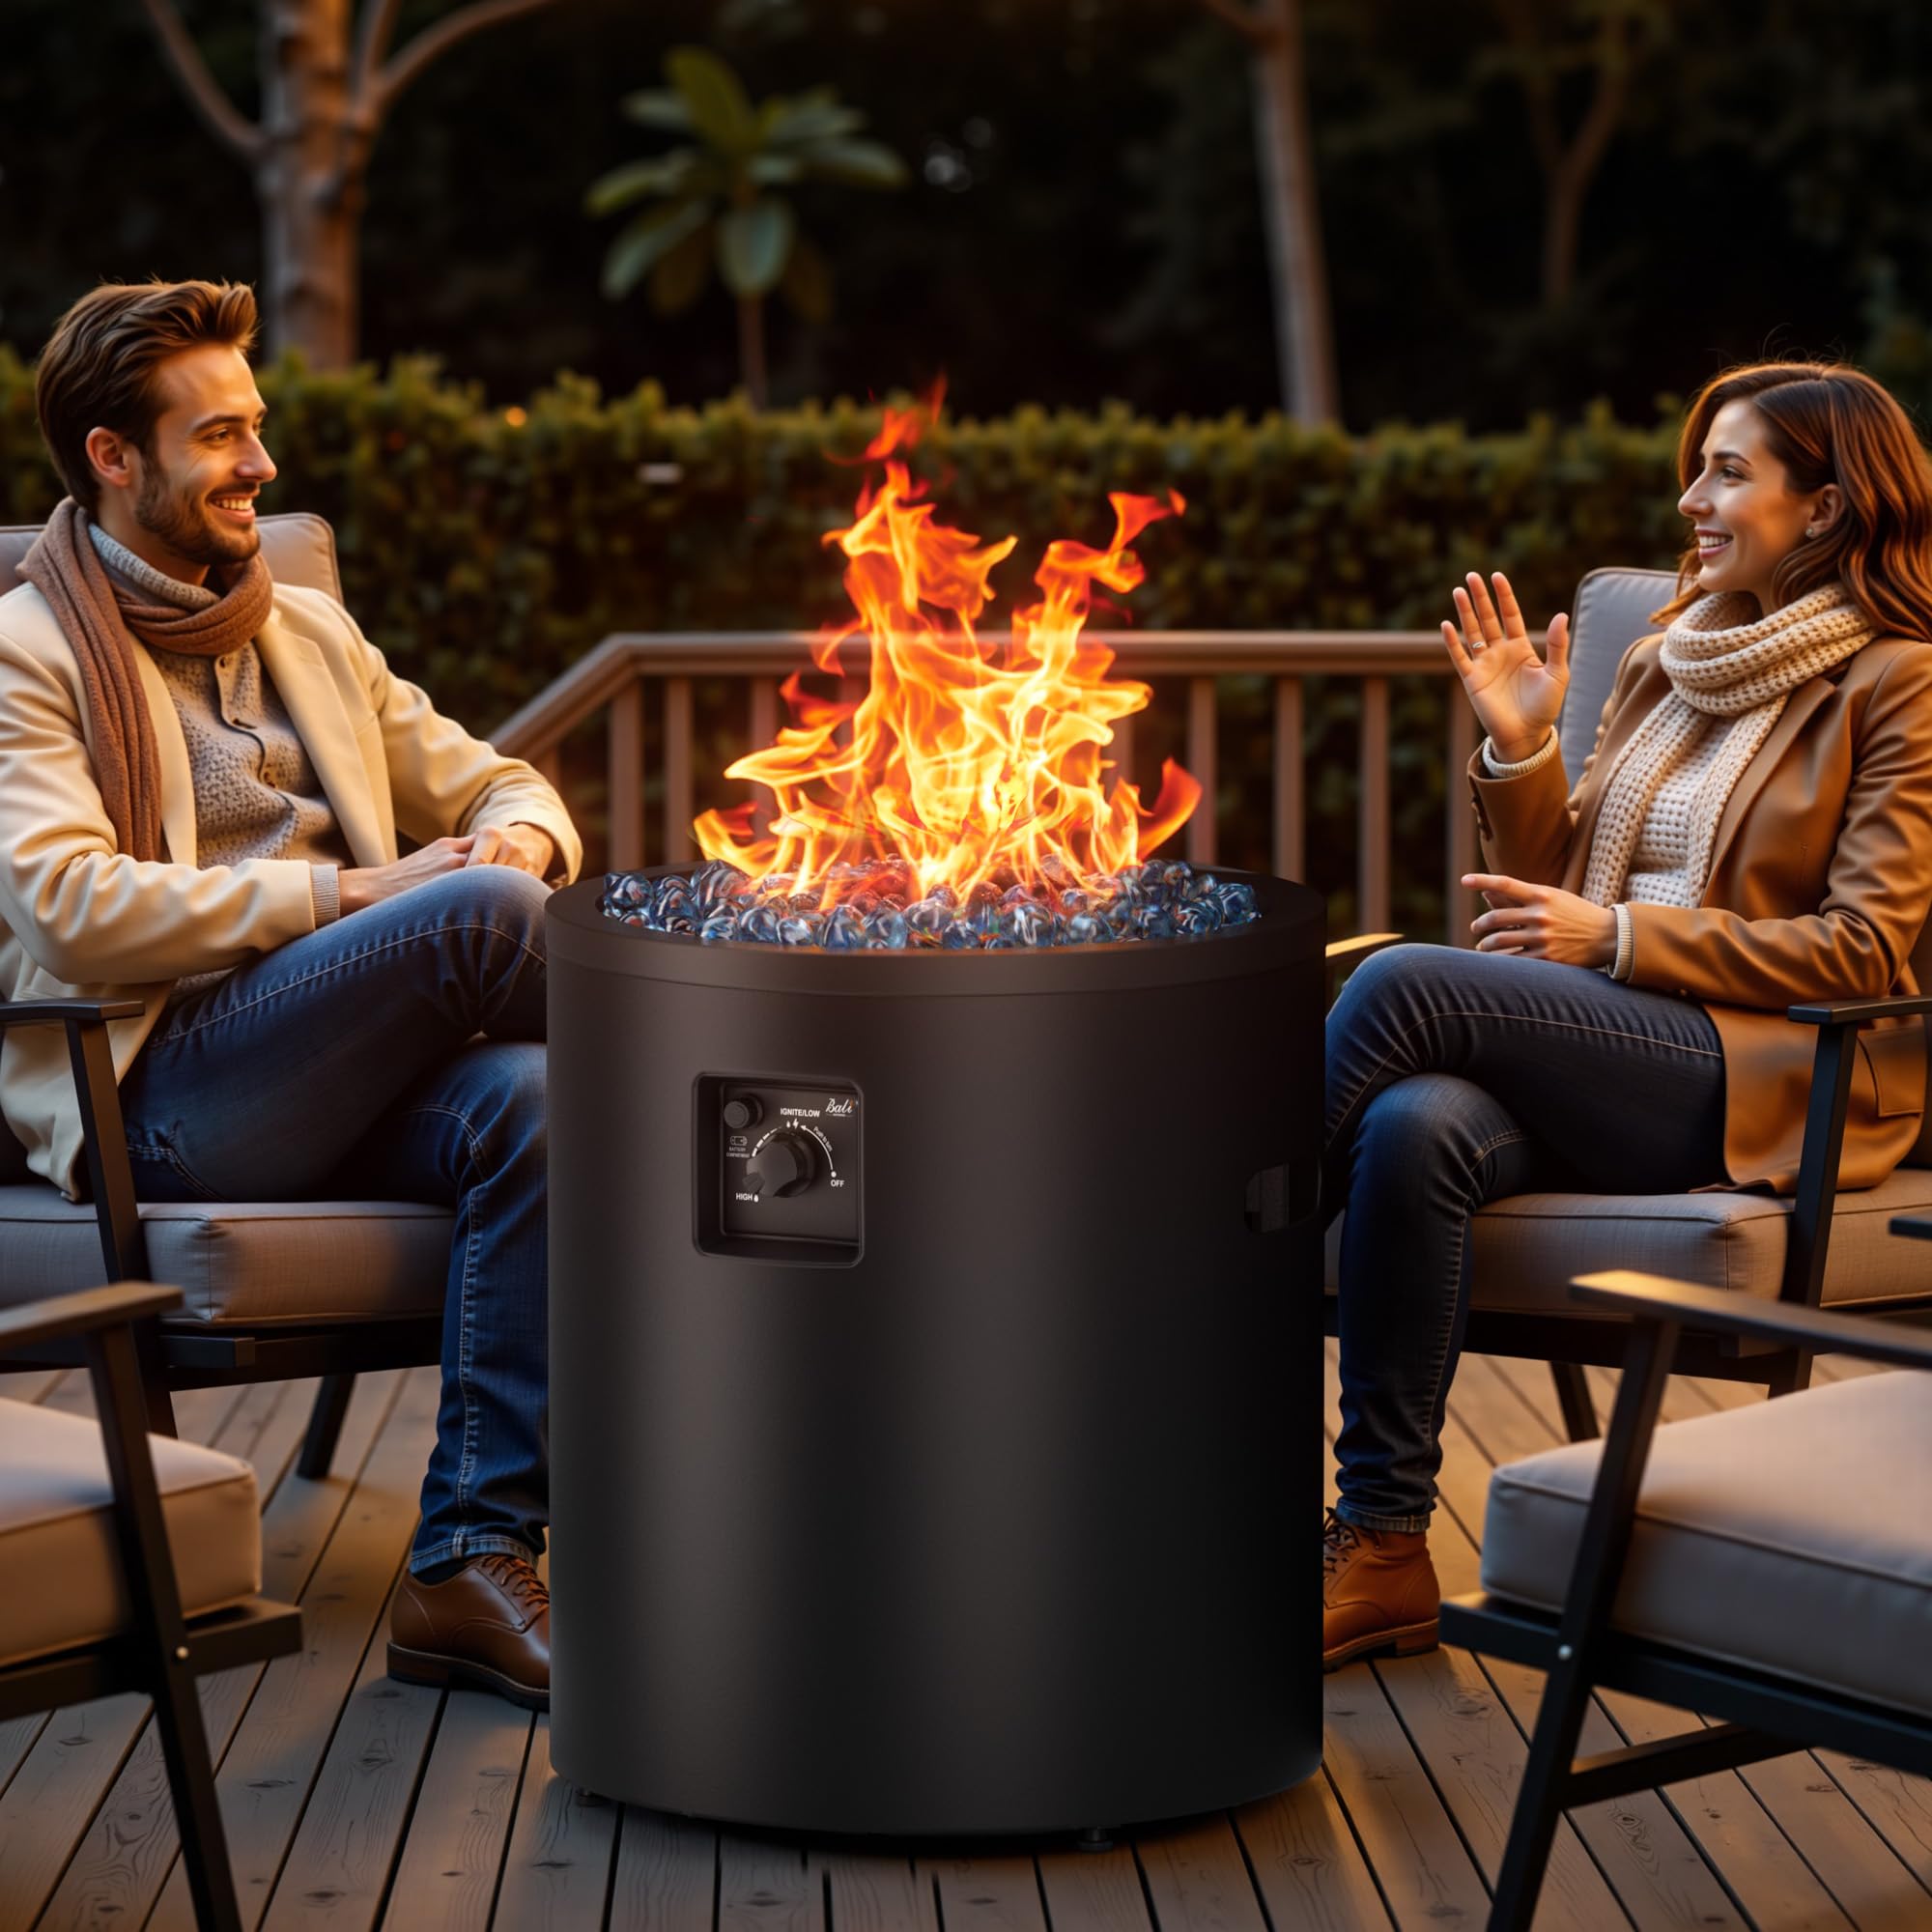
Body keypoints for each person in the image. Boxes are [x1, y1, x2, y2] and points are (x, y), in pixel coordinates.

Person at [0, 280, 582, 1711]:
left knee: (541, 1098)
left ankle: (467, 1564)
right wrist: (349, 897)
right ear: (111, 456)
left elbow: (504, 782)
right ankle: (753, 1056)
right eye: (217, 436)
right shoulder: (27, 652)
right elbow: (67, 904)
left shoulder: (305, 630)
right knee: (482, 923)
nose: (259, 462)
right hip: (162, 1090)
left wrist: (515, 839)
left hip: (340, 1067)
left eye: (255, 426)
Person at [1321, 360, 1932, 1669]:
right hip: (1609, 1047)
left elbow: (1867, 948)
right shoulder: (1664, 659)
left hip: (1761, 1072)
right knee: (1415, 1125)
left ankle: (1183, 1267)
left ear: (1826, 507)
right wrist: (1524, 747)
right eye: (1695, 468)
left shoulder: (1899, 684)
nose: (1692, 499)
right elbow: (1554, 888)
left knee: (1402, 980)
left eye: (1730, 472)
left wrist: (1624, 940)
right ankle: (1382, 1547)